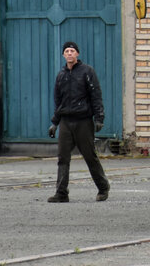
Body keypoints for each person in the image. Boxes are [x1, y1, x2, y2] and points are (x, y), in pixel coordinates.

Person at [48, 41, 110, 202]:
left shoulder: (87, 72)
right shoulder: (61, 76)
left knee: (90, 156)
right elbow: (58, 102)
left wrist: (99, 118)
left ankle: (103, 188)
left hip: (83, 121)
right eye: (67, 51)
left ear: (77, 54)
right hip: (66, 123)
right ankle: (61, 193)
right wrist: (55, 123)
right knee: (63, 158)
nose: (69, 53)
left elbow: (96, 96)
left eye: (72, 51)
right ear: (63, 55)